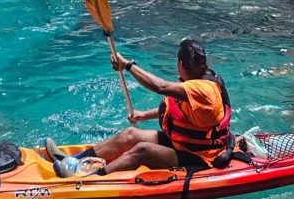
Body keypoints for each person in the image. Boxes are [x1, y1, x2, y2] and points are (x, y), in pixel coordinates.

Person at [45, 39, 232, 177]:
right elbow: (177, 110)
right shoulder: (194, 82)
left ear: (180, 64)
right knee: (129, 135)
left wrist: (128, 66)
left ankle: (89, 178)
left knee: (142, 150)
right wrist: (144, 115)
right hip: (182, 144)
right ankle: (75, 160)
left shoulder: (203, 89)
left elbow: (160, 87)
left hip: (200, 156)